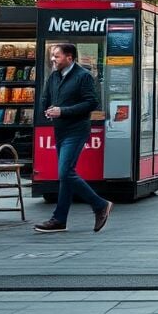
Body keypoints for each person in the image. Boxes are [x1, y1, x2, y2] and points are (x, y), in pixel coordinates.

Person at [35, 43, 111, 234]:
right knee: (66, 176)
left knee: (65, 172)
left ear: (69, 58)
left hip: (76, 130)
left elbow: (91, 102)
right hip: (60, 130)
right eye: (52, 56)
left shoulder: (83, 76)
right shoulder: (54, 76)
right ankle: (59, 219)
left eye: (57, 56)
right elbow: (45, 98)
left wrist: (63, 111)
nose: (53, 59)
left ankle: (100, 204)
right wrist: (48, 111)